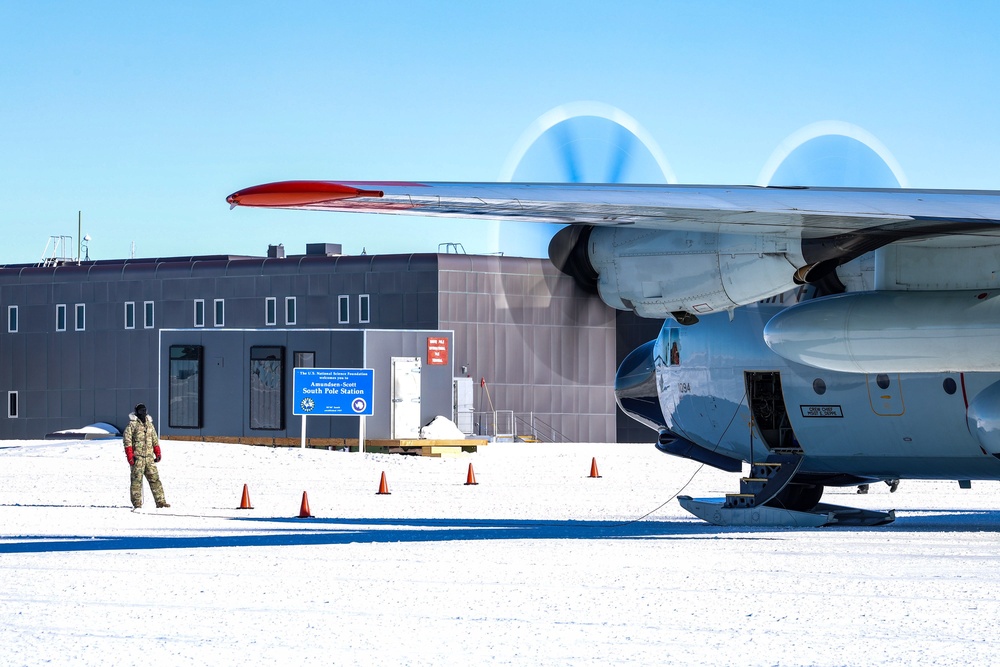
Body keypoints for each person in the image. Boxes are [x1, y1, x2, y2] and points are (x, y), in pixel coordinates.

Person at [122, 403, 170, 509]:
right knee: (136, 481)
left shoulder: (150, 424)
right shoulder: (132, 425)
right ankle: (137, 503)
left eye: (144, 410)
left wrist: (157, 452)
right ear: (136, 412)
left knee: (155, 479)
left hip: (149, 458)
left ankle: (161, 502)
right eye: (140, 411)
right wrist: (130, 455)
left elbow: (154, 439)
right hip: (137, 458)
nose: (143, 413)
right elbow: (127, 440)